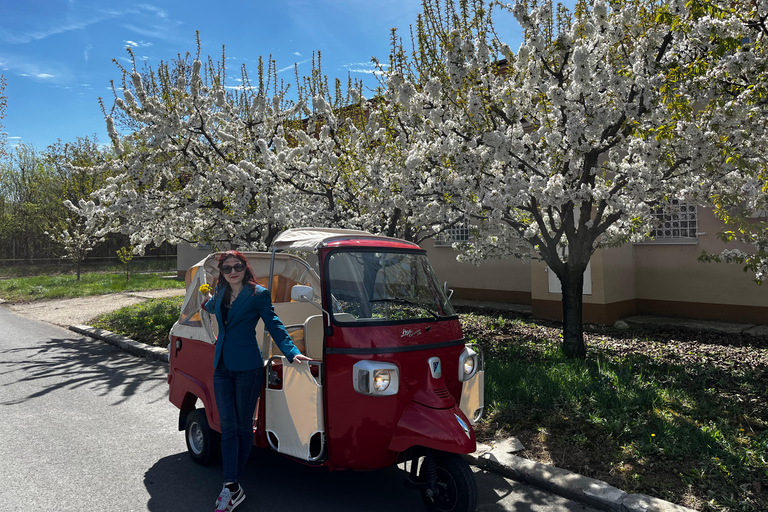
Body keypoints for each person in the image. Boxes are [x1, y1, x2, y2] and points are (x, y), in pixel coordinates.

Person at [201, 250, 310, 512]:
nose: (233, 271)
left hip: (248, 367)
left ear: (245, 268)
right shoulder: (220, 294)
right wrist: (206, 298)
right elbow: (210, 308)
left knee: (241, 427)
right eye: (227, 268)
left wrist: (292, 352)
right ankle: (231, 485)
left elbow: (274, 323)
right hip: (222, 367)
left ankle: (231, 485)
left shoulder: (257, 294)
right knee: (227, 426)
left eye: (237, 266)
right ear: (222, 273)